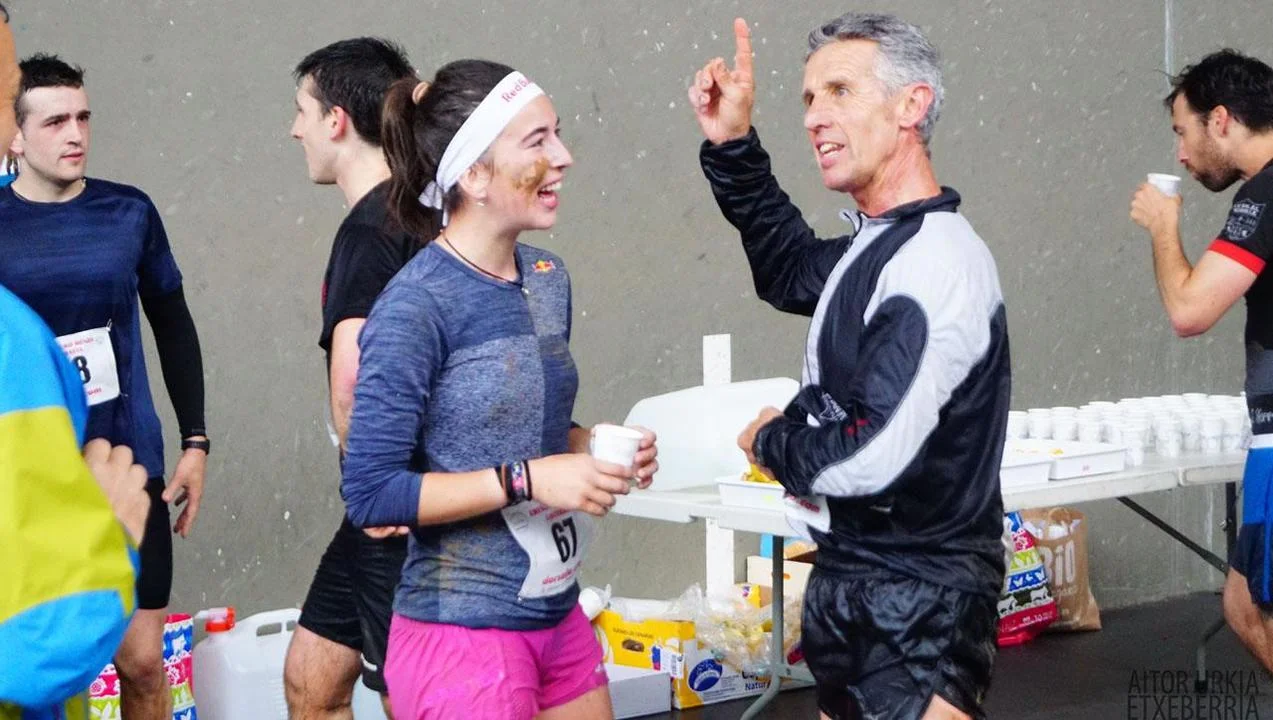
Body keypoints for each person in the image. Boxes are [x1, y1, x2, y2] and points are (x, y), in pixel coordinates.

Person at [689, 13, 1011, 720]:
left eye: (839, 91)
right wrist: (734, 145)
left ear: (911, 105)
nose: (814, 116)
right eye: (808, 98)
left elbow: (870, 456)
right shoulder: (877, 245)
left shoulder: (933, 262)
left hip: (918, 599)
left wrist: (771, 440)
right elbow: (789, 269)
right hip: (855, 582)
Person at [340, 59, 658, 719]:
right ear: (475, 176)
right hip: (461, 631)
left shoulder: (547, 276)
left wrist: (587, 444)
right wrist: (528, 479)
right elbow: (371, 493)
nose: (564, 157)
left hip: (558, 616)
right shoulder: (416, 306)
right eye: (537, 140)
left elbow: (525, 429)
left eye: (558, 134)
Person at [0, 53, 210, 720]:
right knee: (53, 663)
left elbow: (173, 324)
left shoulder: (130, 211)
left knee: (141, 662)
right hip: (35, 478)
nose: (76, 134)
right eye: (55, 121)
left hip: (128, 458)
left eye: (83, 117)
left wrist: (196, 441)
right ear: (15, 135)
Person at [283, 37, 423, 720]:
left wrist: (375, 487)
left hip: (395, 502)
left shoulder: (371, 230)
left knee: (412, 696)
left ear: (336, 121)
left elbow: (352, 379)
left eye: (302, 111)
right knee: (311, 680)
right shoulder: (420, 209)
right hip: (391, 495)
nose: (295, 129)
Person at [1130, 49, 1273, 673]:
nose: (1182, 155)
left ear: (1220, 120)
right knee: (1243, 603)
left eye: (1183, 132)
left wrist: (1163, 226)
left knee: (1257, 607)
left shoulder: (1265, 194)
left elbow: (1190, 311)